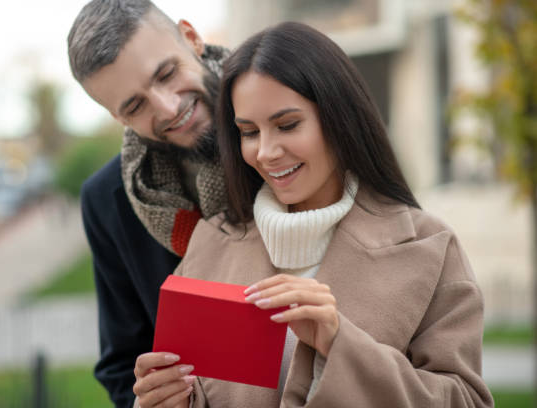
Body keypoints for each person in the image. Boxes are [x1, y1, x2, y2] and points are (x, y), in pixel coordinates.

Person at [132, 22, 494, 407]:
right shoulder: (209, 245)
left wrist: (339, 341)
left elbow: (466, 400)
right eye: (249, 132)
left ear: (340, 118)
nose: (267, 152)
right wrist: (165, 401)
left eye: (287, 125)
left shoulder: (431, 248)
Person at [66, 1, 229, 406]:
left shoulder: (289, 119)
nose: (169, 108)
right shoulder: (108, 201)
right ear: (117, 117)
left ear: (192, 39)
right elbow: (122, 366)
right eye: (135, 106)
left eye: (167, 73)